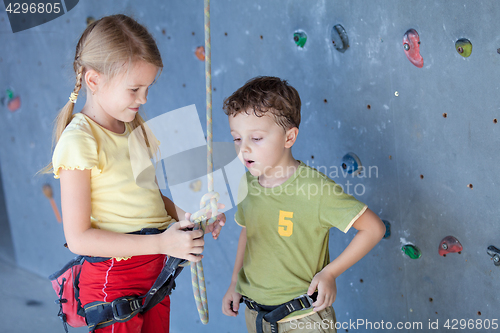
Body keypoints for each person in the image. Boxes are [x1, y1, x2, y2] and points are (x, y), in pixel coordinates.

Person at [42, 14, 225, 333]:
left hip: (153, 271)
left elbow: (151, 200)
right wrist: (162, 244)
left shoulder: (135, 128)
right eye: (134, 89)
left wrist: (191, 218)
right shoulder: (80, 140)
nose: (143, 99)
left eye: (148, 88)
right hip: (114, 280)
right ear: (94, 80)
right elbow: (78, 239)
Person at [221, 76, 386, 333]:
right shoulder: (249, 182)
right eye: (236, 139)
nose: (244, 149)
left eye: (256, 138)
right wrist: (235, 282)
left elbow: (374, 229)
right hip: (256, 316)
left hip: (303, 320)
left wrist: (330, 273)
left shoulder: (316, 189)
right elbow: (248, 232)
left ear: (289, 137)